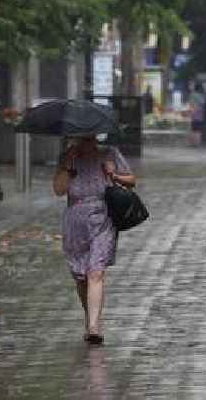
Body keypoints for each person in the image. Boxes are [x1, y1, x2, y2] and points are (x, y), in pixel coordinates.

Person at [52, 135, 136, 345]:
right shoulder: (67, 157)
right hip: (75, 221)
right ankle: (90, 317)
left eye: (90, 137)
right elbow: (59, 190)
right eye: (82, 138)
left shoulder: (109, 153)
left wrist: (113, 174)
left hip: (102, 218)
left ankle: (94, 327)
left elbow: (131, 181)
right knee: (81, 277)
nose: (86, 142)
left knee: (96, 272)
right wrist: (68, 166)